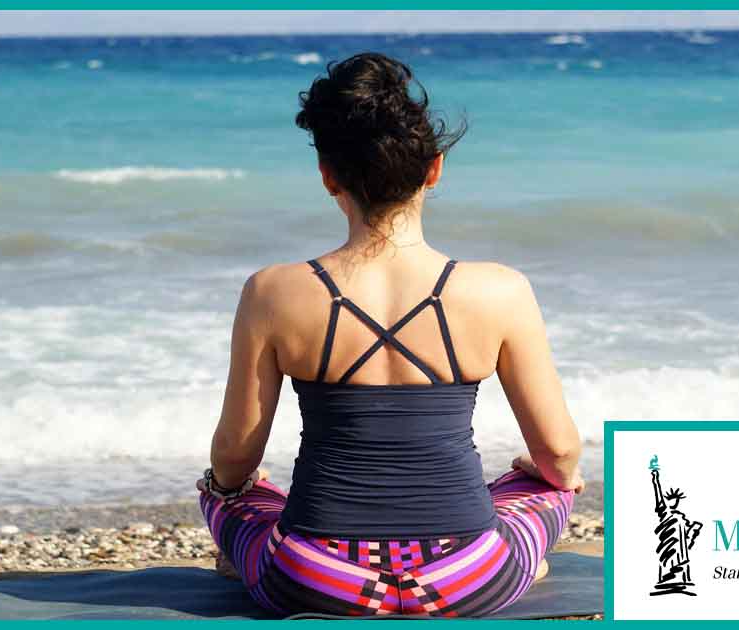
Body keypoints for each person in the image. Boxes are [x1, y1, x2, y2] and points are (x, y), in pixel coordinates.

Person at [198, 52, 584, 617]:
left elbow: (234, 458)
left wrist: (236, 487)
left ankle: (248, 556)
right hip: (466, 575)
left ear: (328, 176)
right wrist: (549, 477)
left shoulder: (272, 291)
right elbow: (558, 451)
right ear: (434, 169)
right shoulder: (500, 290)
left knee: (225, 495)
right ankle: (523, 559)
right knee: (550, 487)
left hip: (315, 577)